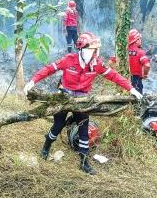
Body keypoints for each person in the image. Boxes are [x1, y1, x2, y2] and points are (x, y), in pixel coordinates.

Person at [24, 32, 142, 175]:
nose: (96, 52)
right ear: (83, 49)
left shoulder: (97, 64)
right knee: (57, 126)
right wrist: (32, 81)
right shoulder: (69, 59)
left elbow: (114, 76)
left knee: (83, 128)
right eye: (93, 49)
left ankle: (84, 161)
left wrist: (132, 89)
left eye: (96, 49)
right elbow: (49, 69)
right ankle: (46, 146)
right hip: (64, 97)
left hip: (83, 100)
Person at [127, 29, 151, 94]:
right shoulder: (140, 52)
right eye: (140, 39)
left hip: (125, 80)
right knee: (138, 98)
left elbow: (111, 61)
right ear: (136, 40)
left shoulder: (125, 51)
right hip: (136, 80)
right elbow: (147, 65)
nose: (141, 41)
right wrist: (145, 74)